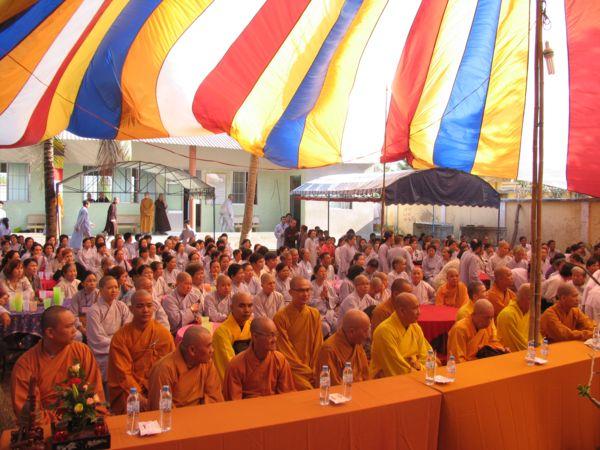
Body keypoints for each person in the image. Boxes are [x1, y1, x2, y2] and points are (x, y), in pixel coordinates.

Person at [11, 306, 105, 424]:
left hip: (84, 421)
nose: (75, 331)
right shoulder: (25, 365)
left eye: (74, 325)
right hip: (47, 428)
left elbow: (95, 392)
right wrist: (63, 421)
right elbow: (29, 414)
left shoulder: (82, 351)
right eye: (68, 326)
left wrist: (85, 415)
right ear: (50, 332)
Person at [107, 290, 175, 414]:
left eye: (149, 306)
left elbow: (170, 367)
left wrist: (157, 392)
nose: (145, 310)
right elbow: (122, 373)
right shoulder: (121, 337)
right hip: (130, 388)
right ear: (131, 309)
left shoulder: (163, 334)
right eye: (140, 306)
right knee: (130, 401)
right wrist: (137, 395)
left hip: (158, 387)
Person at [148, 326, 223, 409]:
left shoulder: (207, 363)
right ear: (192, 350)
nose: (212, 350)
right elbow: (163, 408)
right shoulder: (163, 370)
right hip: (175, 416)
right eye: (208, 346)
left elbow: (214, 397)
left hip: (203, 413)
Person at [222, 317, 295, 400]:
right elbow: (233, 402)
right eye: (270, 335)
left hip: (274, 405)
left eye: (275, 335)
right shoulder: (235, 365)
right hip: (247, 407)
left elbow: (286, 394)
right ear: (255, 336)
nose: (274, 339)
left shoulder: (280, 360)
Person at [273, 276, 323, 390]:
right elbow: (284, 350)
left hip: (313, 367)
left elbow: (318, 345)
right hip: (292, 368)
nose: (305, 294)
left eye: (307, 290)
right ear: (290, 292)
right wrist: (305, 370)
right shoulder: (280, 317)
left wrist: (314, 368)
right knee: (307, 390)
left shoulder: (314, 314)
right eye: (301, 290)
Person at [369, 293, 432, 378]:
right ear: (402, 311)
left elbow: (426, 355)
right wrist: (420, 371)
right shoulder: (384, 331)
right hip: (386, 379)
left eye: (418, 307)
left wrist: (421, 368)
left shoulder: (415, 327)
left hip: (416, 372)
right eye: (415, 308)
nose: (419, 312)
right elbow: (396, 366)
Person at [86, 276, 133, 380]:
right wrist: (118, 344)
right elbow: (97, 338)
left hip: (122, 345)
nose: (114, 290)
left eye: (116, 287)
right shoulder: (94, 310)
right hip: (104, 351)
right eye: (110, 288)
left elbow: (128, 327)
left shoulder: (121, 306)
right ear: (101, 289)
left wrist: (123, 343)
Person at [316, 309, 370, 386]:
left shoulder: (357, 343)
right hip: (341, 392)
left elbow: (365, 375)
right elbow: (331, 384)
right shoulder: (328, 350)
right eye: (365, 331)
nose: (367, 335)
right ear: (352, 332)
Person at [212, 292, 253, 380]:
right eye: (241, 306)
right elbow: (230, 363)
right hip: (233, 379)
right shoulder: (222, 332)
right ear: (231, 308)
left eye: (250, 306)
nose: (247, 310)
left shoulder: (252, 326)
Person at [497, 283, 536, 352]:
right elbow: (515, 343)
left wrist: (539, 346)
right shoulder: (507, 315)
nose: (533, 302)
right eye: (530, 299)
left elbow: (537, 335)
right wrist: (533, 351)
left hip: (531, 350)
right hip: (511, 354)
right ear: (520, 298)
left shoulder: (530, 312)